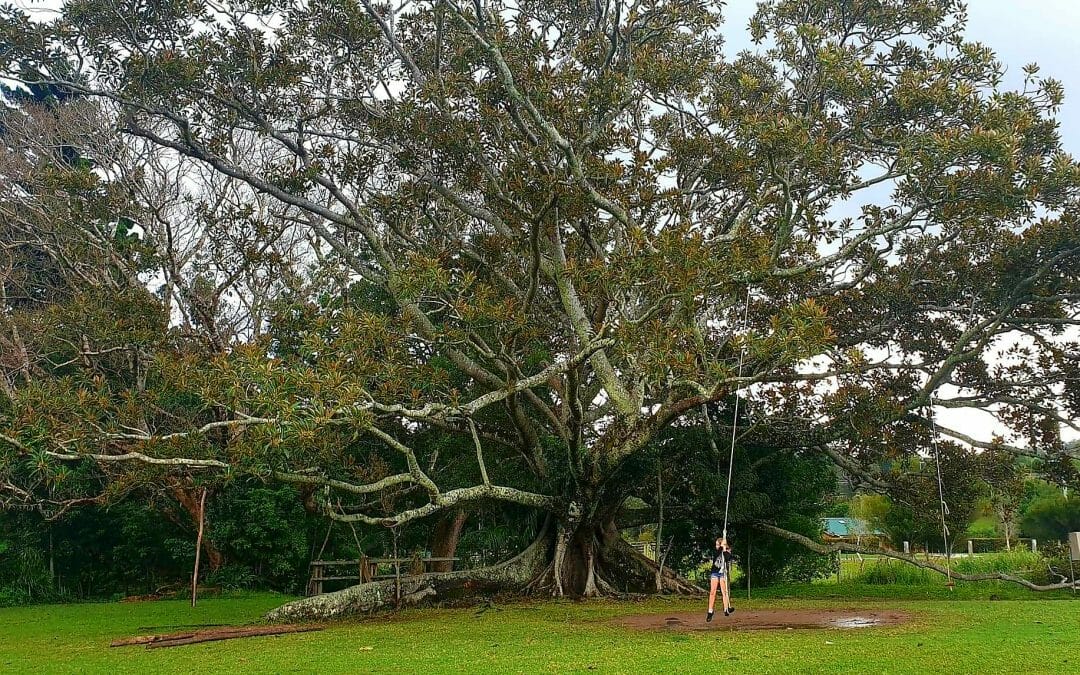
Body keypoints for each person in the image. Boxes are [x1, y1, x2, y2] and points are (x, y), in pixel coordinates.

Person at [706, 537, 735, 622]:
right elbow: (716, 554)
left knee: (724, 591)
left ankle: (726, 609)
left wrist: (725, 548)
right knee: (712, 592)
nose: (716, 546)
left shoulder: (726, 551)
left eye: (717, 544)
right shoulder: (716, 551)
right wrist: (721, 547)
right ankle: (710, 612)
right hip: (715, 573)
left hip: (722, 574)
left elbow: (727, 558)